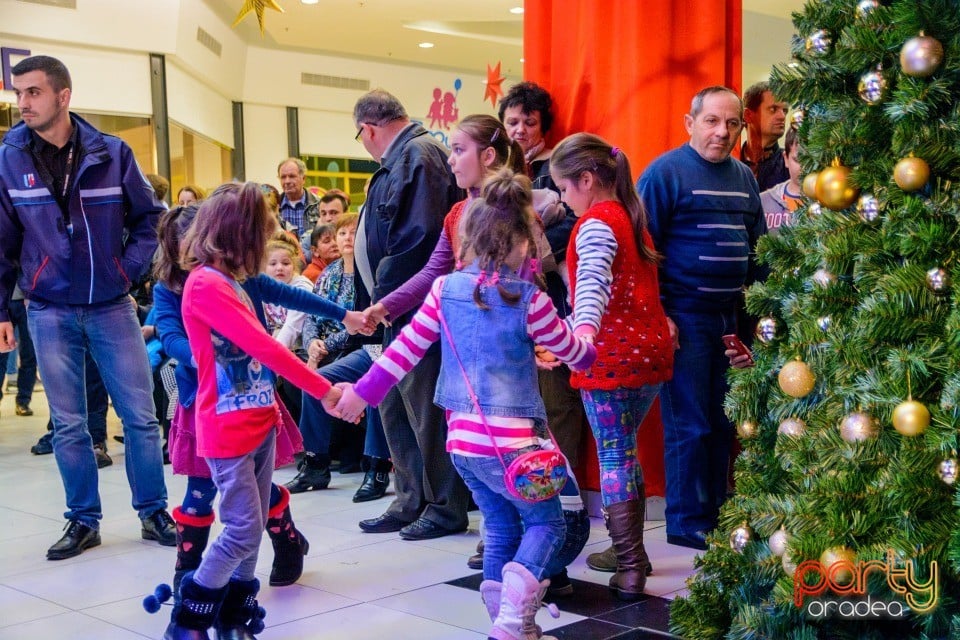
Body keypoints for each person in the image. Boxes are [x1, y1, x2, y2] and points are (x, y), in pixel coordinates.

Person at [337, 169, 595, 639]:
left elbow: (403, 352)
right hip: (516, 445)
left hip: (462, 443)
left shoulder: (444, 290)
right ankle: (516, 617)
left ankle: (505, 623)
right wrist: (587, 334)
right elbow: (576, 354)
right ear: (522, 244)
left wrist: (360, 393)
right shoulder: (530, 300)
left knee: (498, 524)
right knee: (548, 524)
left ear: (468, 241)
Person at [0, 55, 175, 559]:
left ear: (63, 96)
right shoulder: (8, 158)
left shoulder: (113, 153)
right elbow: (2, 240)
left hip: (111, 304)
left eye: (33, 92)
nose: (23, 103)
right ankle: (83, 520)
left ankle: (152, 510)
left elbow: (152, 222)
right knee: (69, 422)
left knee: (141, 417)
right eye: (19, 93)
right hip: (47, 308)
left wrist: (128, 270)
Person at [161, 182, 341, 638]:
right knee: (242, 529)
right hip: (226, 427)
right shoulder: (204, 284)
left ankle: (235, 615)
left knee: (254, 523)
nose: (270, 242)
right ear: (239, 235)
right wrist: (324, 391)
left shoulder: (231, 280)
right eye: (263, 232)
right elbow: (263, 347)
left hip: (258, 419)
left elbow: (285, 311)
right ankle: (189, 619)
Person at [637, 86, 766, 551]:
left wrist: (753, 320)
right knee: (689, 423)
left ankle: (714, 512)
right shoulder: (664, 173)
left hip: (729, 318)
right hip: (684, 318)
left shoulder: (744, 177)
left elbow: (756, 249)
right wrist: (659, 315)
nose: (722, 132)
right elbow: (641, 250)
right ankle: (686, 519)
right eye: (712, 121)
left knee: (722, 419)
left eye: (732, 123)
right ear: (689, 122)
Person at [550, 133, 674, 600]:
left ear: (586, 179)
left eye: (565, 188)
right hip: (649, 355)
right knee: (625, 452)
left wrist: (579, 333)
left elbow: (593, 285)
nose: (564, 199)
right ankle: (634, 554)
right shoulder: (629, 217)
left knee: (615, 456)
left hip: (611, 357)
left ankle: (627, 567)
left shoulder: (597, 223)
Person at [350, 88, 470, 540]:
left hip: (415, 310)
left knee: (424, 411)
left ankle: (442, 507)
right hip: (395, 310)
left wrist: (387, 300)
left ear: (369, 129)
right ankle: (410, 500)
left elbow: (417, 241)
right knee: (394, 409)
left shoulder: (418, 155)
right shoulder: (403, 158)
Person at [288, 212, 375, 493]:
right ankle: (315, 463)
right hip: (326, 347)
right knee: (309, 380)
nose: (348, 238)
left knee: (327, 379)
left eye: (353, 232)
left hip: (365, 346)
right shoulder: (329, 272)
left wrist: (327, 346)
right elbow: (313, 314)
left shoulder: (370, 271)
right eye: (342, 233)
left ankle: (375, 467)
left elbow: (363, 323)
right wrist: (313, 343)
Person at [741, 81, 789, 191]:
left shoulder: (791, 164)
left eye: (785, 110)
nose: (782, 116)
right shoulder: (728, 163)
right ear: (748, 115)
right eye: (773, 109)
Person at [0, 282, 36, 418]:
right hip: (4, 302)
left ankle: (23, 401)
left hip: (28, 302)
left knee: (29, 355)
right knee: (1, 354)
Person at [759, 126, 802, 234]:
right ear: (786, 158)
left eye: (812, 160)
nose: (805, 167)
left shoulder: (832, 203)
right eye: (798, 160)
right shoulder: (762, 202)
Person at [277, 157, 319, 239]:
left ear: (303, 178)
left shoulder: (319, 204)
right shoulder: (273, 207)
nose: (287, 181)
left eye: (292, 176)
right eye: (283, 177)